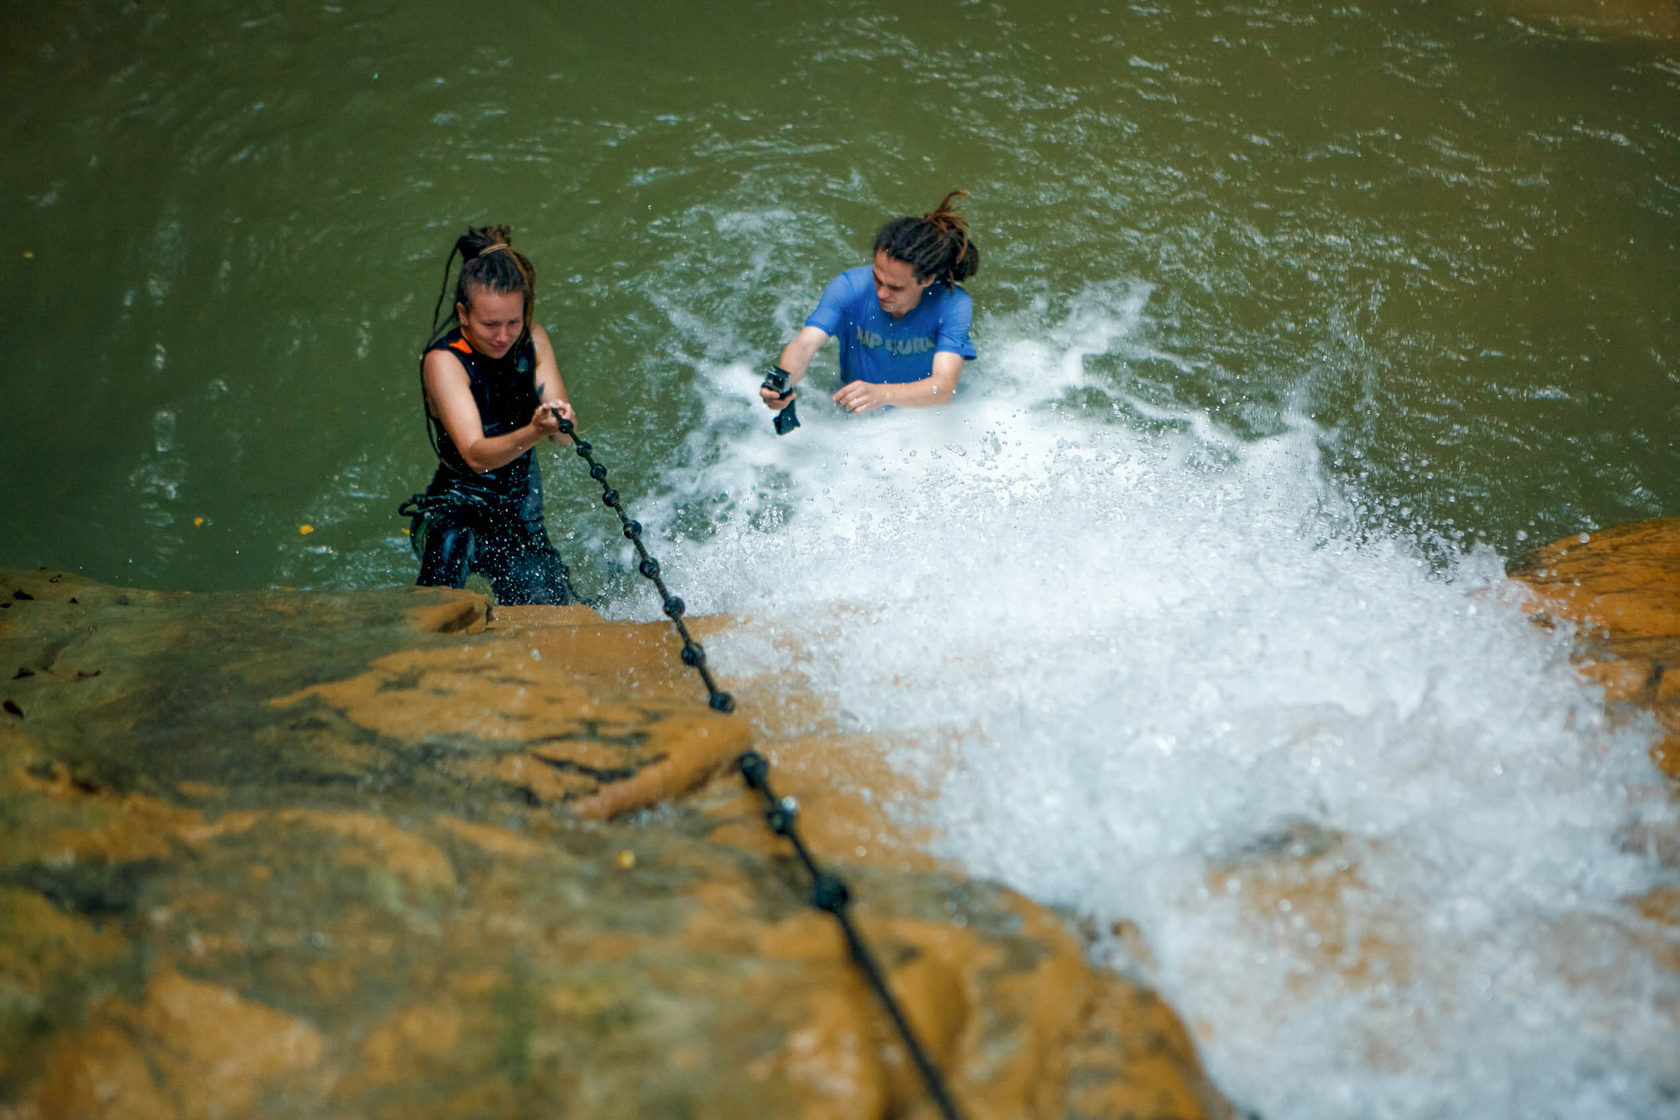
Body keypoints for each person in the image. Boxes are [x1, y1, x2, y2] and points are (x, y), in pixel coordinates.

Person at [399, 224, 579, 605]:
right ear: (463, 314)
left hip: (519, 518)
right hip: (457, 510)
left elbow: (565, 437)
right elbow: (475, 455)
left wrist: (560, 422)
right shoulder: (444, 360)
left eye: (513, 322)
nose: (503, 336)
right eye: (490, 325)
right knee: (449, 553)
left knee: (553, 609)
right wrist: (532, 431)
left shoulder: (534, 340)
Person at [761, 190, 980, 417]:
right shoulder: (849, 287)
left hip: (921, 419)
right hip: (853, 415)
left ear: (926, 280)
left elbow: (943, 388)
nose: (882, 293)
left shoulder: (952, 304)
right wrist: (782, 383)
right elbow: (804, 344)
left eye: (895, 287)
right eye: (877, 278)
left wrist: (883, 394)